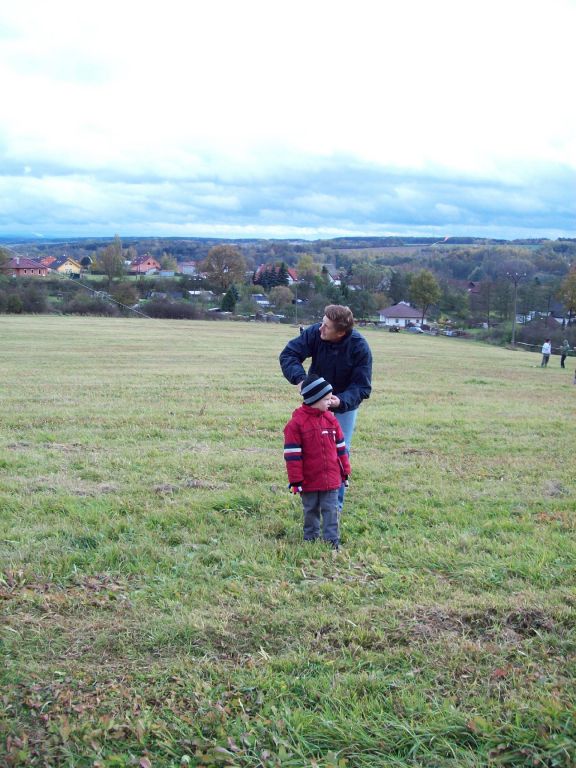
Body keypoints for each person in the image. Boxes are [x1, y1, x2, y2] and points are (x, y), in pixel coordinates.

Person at [279, 304, 372, 512]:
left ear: (340, 332)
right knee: (310, 448)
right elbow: (289, 354)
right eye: (322, 322)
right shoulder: (316, 332)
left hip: (343, 405)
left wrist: (340, 401)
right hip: (314, 403)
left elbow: (362, 387)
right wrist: (301, 380)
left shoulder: (359, 347)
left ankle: (334, 507)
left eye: (326, 326)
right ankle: (311, 501)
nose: (320, 328)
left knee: (339, 450)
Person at [283, 374, 351, 550]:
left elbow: (341, 448)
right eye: (327, 399)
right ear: (314, 399)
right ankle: (310, 538)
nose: (330, 402)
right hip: (309, 480)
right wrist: (296, 481)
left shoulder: (331, 420)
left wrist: (345, 471)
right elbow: (292, 456)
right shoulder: (296, 425)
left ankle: (331, 541)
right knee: (310, 509)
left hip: (331, 478)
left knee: (331, 510)